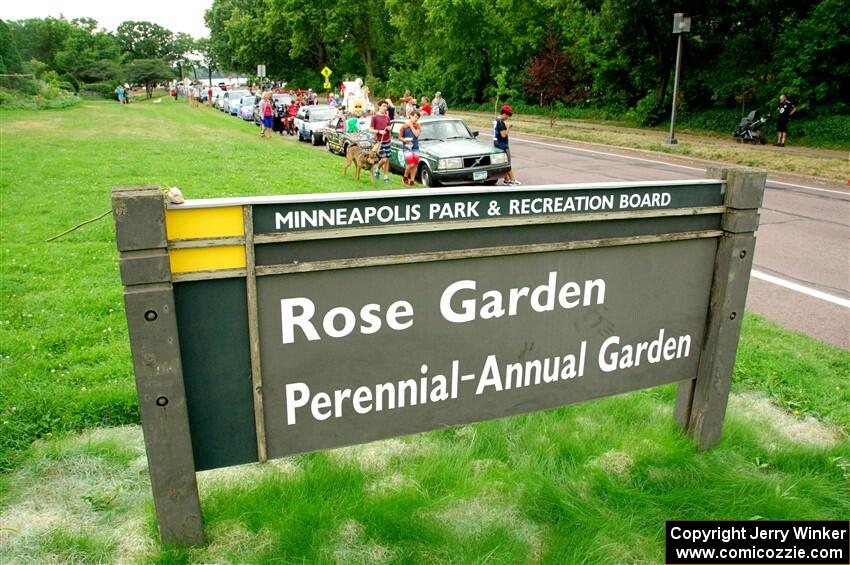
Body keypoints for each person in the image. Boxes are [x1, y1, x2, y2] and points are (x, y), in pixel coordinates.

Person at [494, 105, 520, 185]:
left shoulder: (496, 120)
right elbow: (504, 135)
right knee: (507, 163)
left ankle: (506, 180)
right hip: (502, 145)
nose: (508, 117)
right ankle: (513, 180)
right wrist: (508, 128)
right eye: (508, 115)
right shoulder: (501, 123)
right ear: (504, 114)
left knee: (503, 162)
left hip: (496, 144)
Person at [369, 100, 393, 183]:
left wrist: (389, 128)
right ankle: (377, 169)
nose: (385, 108)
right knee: (384, 159)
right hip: (379, 141)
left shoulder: (387, 117)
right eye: (383, 106)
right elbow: (371, 129)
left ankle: (386, 176)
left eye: (386, 106)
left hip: (387, 140)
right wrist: (379, 131)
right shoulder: (374, 117)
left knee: (387, 159)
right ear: (379, 106)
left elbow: (389, 126)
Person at [399, 109, 422, 187]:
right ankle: (405, 176)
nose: (415, 118)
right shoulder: (404, 126)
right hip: (407, 147)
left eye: (417, 117)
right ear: (410, 116)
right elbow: (400, 137)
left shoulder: (418, 125)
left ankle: (412, 180)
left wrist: (412, 126)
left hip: (415, 147)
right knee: (411, 163)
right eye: (414, 116)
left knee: (415, 164)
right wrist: (404, 140)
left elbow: (416, 135)